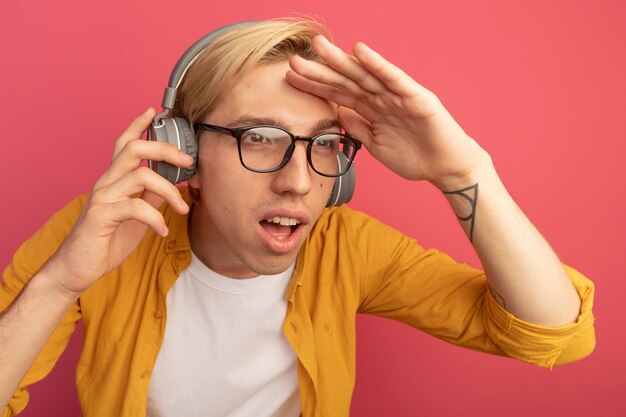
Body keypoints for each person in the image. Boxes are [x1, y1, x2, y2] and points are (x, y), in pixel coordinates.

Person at [0, 18, 595, 417]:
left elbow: (556, 335)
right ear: (184, 155)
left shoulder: (349, 248)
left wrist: (464, 171)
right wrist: (62, 281)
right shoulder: (105, 229)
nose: (300, 180)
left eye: (326, 143)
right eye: (259, 137)